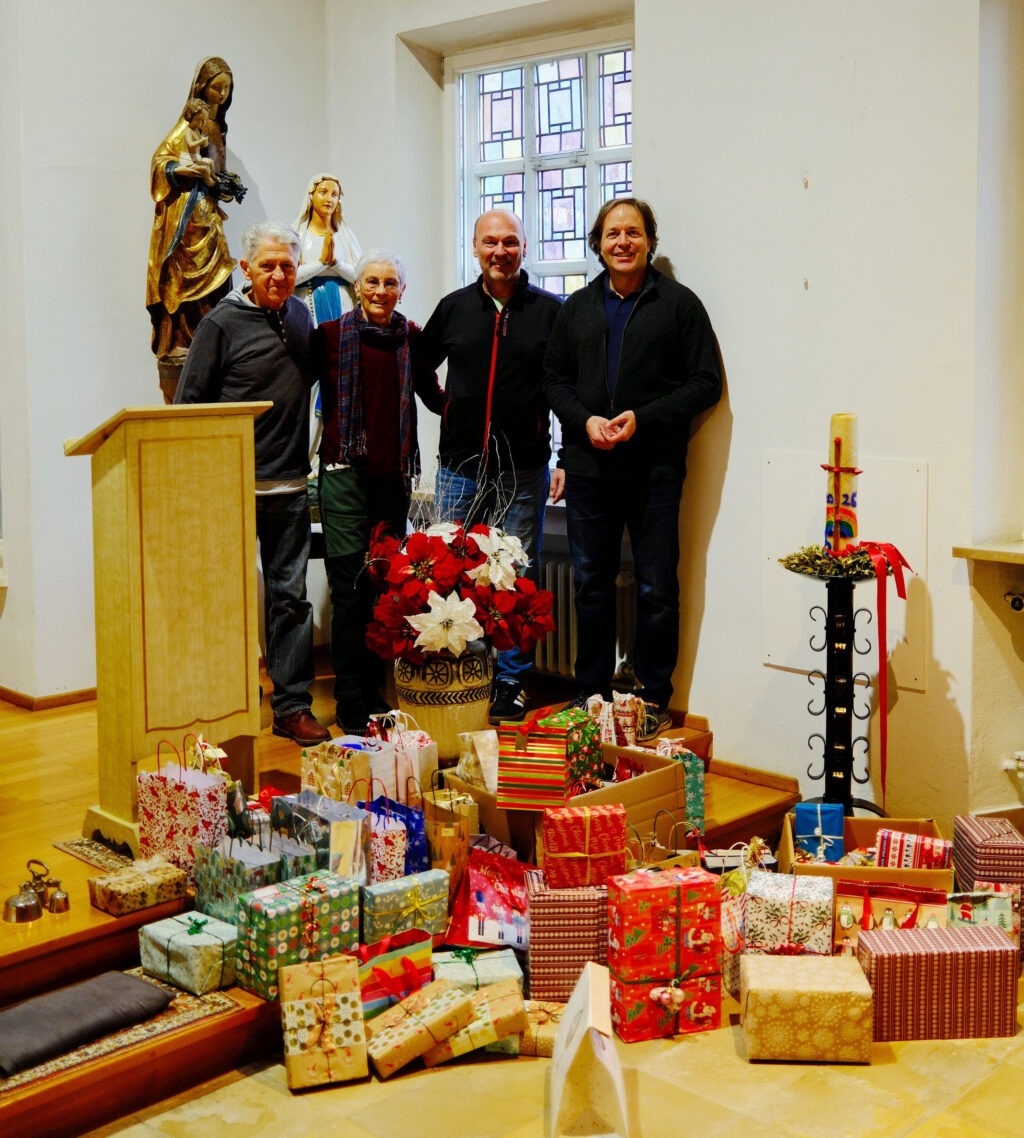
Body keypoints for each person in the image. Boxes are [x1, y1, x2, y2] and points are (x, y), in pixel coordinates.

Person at [543, 197, 722, 742]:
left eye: (634, 232)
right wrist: (585, 420)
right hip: (588, 469)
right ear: (598, 243)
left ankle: (653, 699)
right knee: (590, 586)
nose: (623, 241)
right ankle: (591, 695)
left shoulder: (679, 304)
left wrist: (643, 419)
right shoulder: (576, 308)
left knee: (656, 589)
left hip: (655, 472)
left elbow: (705, 383)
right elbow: (555, 382)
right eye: (613, 233)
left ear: (650, 240)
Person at [174, 220, 331, 746]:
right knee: (223, 599)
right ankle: (219, 703)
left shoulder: (301, 316)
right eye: (268, 265)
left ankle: (291, 707)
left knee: (291, 598)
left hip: (289, 488)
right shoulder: (219, 324)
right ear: (246, 268)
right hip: (230, 491)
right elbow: (189, 408)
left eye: (287, 265)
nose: (279, 275)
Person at [418, 210, 563, 723]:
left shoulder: (550, 312)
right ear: (476, 248)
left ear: (524, 247)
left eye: (510, 242)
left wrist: (564, 457)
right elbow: (419, 364)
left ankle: (511, 681)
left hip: (523, 470)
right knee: (452, 569)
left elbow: (567, 388)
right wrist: (445, 408)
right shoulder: (454, 308)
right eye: (490, 242)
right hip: (459, 467)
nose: (500, 251)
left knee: (516, 575)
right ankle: (461, 665)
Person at [316, 250, 445, 734]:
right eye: (372, 281)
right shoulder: (330, 336)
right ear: (356, 287)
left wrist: (481, 409)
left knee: (381, 589)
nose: (381, 291)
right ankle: (350, 697)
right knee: (350, 590)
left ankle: (373, 690)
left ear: (402, 291)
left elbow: (434, 396)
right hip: (344, 476)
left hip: (394, 480)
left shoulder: (411, 338)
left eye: (391, 283)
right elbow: (294, 387)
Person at [147, 56, 247, 403]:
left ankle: (215, 340)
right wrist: (189, 172)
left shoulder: (217, 128)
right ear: (202, 87)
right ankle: (181, 340)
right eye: (216, 87)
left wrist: (225, 186)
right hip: (187, 217)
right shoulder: (189, 124)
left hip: (209, 213)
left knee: (219, 277)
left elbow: (216, 174)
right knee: (186, 281)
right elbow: (161, 164)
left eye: (227, 88)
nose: (222, 94)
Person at [178, 99, 216, 186]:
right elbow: (191, 145)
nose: (202, 124)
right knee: (205, 169)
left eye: (204, 121)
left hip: (196, 158)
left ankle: (213, 176)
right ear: (190, 117)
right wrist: (201, 141)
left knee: (210, 162)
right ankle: (210, 184)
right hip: (188, 160)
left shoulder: (197, 131)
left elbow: (200, 146)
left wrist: (204, 143)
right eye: (199, 120)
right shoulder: (188, 131)